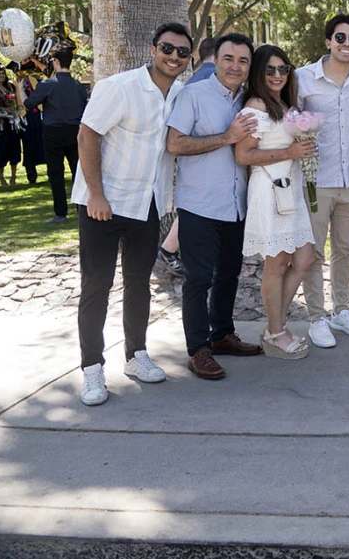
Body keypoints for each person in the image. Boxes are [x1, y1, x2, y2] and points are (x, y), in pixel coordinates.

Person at [72, 22, 188, 406]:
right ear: (153, 49)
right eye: (168, 48)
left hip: (146, 204)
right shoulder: (118, 87)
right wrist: (97, 195)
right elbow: (87, 135)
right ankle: (92, 370)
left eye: (182, 52)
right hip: (102, 204)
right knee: (97, 287)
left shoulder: (180, 95)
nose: (174, 56)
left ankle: (136, 355)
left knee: (138, 282)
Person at [166, 32, 262, 380]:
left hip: (235, 205)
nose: (235, 66)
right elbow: (174, 144)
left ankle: (221, 334)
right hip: (200, 205)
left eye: (243, 60)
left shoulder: (248, 102)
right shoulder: (194, 95)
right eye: (228, 58)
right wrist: (226, 137)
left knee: (229, 274)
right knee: (198, 279)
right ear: (215, 60)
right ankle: (198, 349)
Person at [235, 45, 317, 359]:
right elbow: (243, 155)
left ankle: (275, 326)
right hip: (269, 189)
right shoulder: (255, 106)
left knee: (305, 258)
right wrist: (290, 152)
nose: (277, 75)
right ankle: (277, 331)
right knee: (277, 263)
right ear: (258, 72)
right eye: (270, 69)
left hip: (290, 189)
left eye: (283, 68)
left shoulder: (282, 104)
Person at [296, 14, 349, 346]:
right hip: (315, 180)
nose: (347, 44)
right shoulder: (302, 78)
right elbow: (286, 120)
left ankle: (342, 311)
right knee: (313, 252)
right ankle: (316, 317)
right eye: (340, 38)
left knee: (345, 248)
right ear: (328, 41)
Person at [23, 48, 89, 223]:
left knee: (56, 173)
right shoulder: (78, 86)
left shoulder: (48, 84)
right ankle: (81, 208)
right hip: (75, 131)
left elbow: (29, 103)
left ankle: (60, 213)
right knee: (78, 171)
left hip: (53, 131)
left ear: (56, 62)